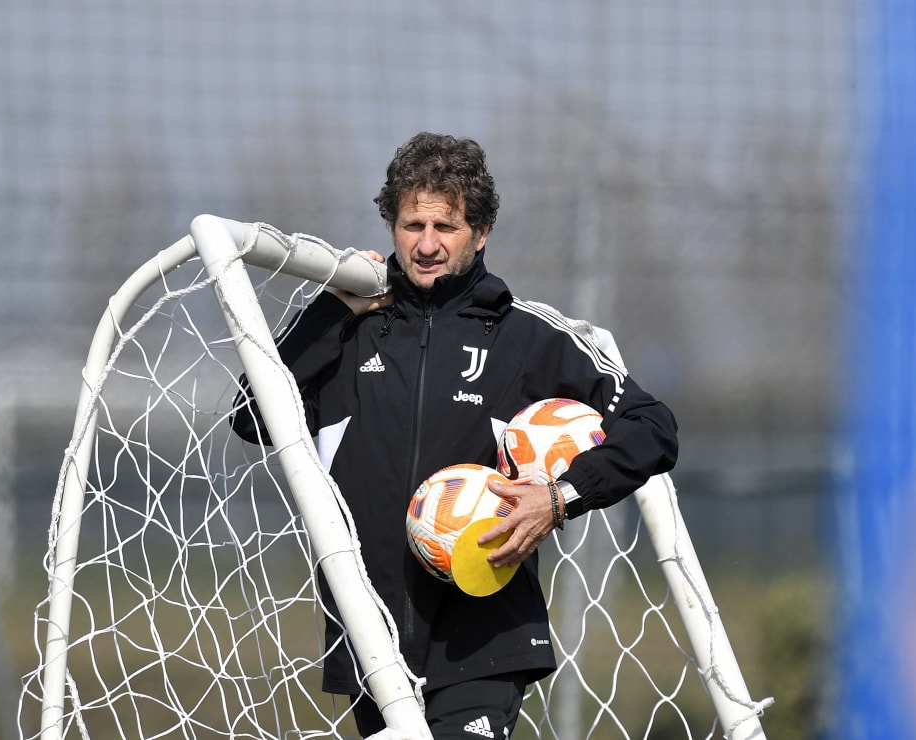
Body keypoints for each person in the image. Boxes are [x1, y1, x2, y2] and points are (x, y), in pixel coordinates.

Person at [231, 132, 679, 738]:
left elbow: (653, 427)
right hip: (371, 631)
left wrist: (559, 497)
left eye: (446, 226)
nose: (426, 245)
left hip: (484, 634)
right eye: (411, 224)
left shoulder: (524, 336)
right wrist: (332, 311)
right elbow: (248, 417)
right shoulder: (346, 329)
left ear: (482, 231)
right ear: (391, 224)